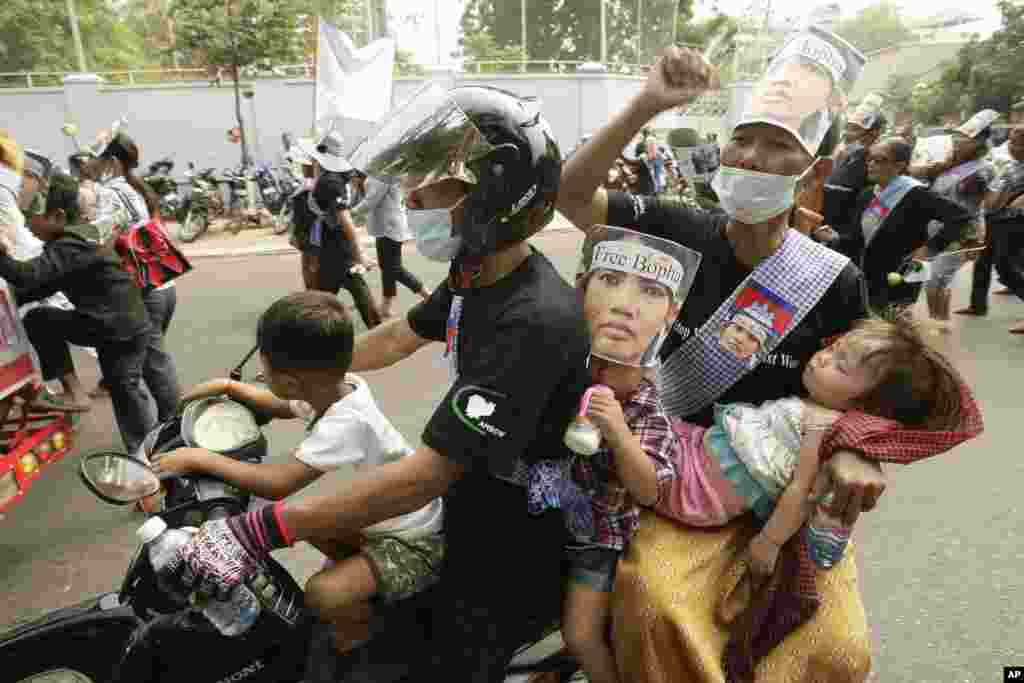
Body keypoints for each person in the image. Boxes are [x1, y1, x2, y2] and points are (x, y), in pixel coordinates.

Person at [159, 84, 590, 682]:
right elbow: (392, 339)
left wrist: (258, 528)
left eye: (436, 186)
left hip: (510, 537)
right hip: (470, 499)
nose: (413, 198)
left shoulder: (534, 320)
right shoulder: (477, 274)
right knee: (344, 565)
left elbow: (423, 477)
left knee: (421, 660)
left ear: (493, 196)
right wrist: (292, 387)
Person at [558, 36, 890, 681]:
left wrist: (856, 450)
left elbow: (875, 391)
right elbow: (570, 197)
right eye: (744, 139)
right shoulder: (677, 226)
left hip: (783, 484)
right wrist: (646, 105)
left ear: (812, 171)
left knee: (839, 649)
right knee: (655, 610)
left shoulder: (834, 278)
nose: (752, 157)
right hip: (676, 477)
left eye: (778, 147)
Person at [151, 291, 444, 654]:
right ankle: (368, 595)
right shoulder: (338, 387)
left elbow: (277, 483)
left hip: (414, 544)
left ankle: (359, 647)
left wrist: (200, 459)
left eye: (266, 370)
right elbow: (281, 404)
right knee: (314, 527)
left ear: (291, 381)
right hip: (391, 515)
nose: (262, 377)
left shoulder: (344, 422)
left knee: (321, 593)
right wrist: (232, 388)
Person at [529, 227, 692, 683]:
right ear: (582, 289)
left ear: (668, 314)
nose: (625, 305)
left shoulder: (645, 403)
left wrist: (619, 433)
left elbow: (649, 490)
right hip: (538, 522)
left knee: (582, 634)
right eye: (609, 282)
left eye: (650, 291)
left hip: (595, 542)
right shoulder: (561, 366)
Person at [0, 172, 152, 448]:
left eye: (30, 215)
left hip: (111, 325)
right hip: (125, 324)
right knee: (127, 391)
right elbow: (44, 284)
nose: (24, 223)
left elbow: (29, 276)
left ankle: (77, 395)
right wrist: (12, 302)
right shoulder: (80, 238)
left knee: (40, 320)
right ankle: (147, 451)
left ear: (57, 216)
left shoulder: (69, 245)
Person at [813, 138, 970, 314]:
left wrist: (931, 248)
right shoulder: (867, 195)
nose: (871, 164)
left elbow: (961, 217)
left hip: (904, 273)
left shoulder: (917, 194)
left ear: (899, 166)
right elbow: (858, 240)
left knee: (897, 324)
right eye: (870, 159)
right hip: (871, 275)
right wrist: (835, 237)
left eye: (880, 160)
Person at [93, 129, 182, 420]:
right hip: (163, 282)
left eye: (99, 160)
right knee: (153, 360)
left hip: (143, 288)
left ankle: (174, 429)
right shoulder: (135, 189)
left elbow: (104, 241)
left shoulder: (110, 192)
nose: (94, 166)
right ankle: (171, 425)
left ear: (113, 162)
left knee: (154, 365)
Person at [909, 110, 998, 324]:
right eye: (957, 137)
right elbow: (913, 174)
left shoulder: (984, 169)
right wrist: (938, 167)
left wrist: (979, 237)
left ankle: (939, 324)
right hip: (932, 228)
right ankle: (936, 320)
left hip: (960, 232)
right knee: (920, 276)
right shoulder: (944, 162)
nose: (958, 142)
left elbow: (988, 203)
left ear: (979, 143)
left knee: (937, 279)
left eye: (966, 139)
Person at [305, 131, 382, 330]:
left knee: (327, 300)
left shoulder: (330, 181)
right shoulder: (330, 180)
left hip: (338, 250)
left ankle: (375, 331)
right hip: (334, 249)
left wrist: (360, 253)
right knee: (335, 297)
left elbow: (346, 220)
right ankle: (376, 331)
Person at [959, 125, 1024, 317]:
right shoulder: (1010, 165)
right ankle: (977, 305)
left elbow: (1003, 197)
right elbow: (993, 194)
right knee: (982, 262)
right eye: (1010, 141)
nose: (1010, 146)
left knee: (1005, 266)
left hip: (1013, 224)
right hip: (993, 219)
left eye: (1016, 143)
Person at [350, 171, 430, 318]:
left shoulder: (382, 175)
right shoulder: (377, 175)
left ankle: (428, 296)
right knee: (387, 268)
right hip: (385, 228)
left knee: (394, 269)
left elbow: (370, 201)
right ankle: (386, 306)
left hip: (390, 228)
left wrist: (348, 214)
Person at [822, 94, 887, 229]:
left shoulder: (875, 163)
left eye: (855, 129)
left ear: (873, 134)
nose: (847, 133)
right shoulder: (841, 152)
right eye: (848, 127)